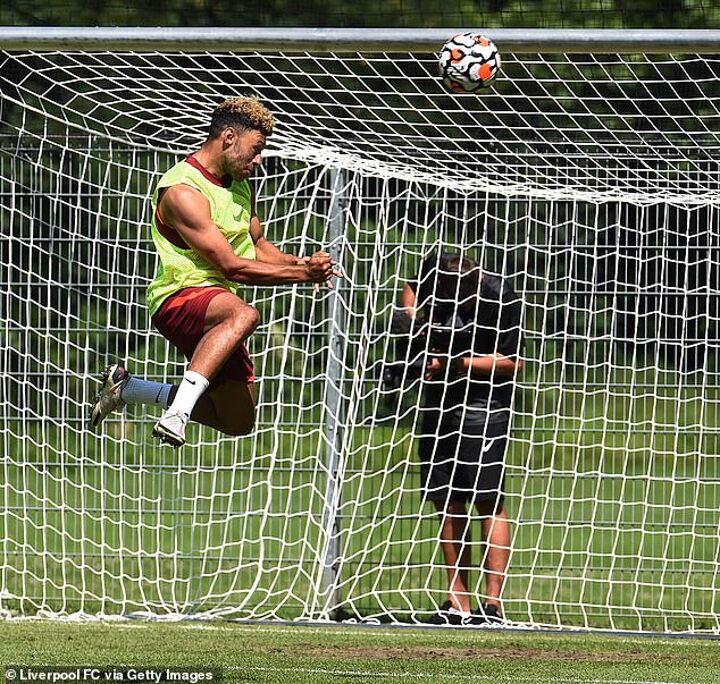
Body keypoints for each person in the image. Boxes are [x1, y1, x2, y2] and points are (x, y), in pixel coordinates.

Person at [89, 96, 339, 447]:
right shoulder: (182, 191)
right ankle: (176, 415)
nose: (259, 159)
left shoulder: (240, 186)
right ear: (229, 138)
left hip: (220, 308)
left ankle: (129, 389)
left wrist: (302, 264)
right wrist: (304, 276)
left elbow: (257, 247)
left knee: (237, 420)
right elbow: (231, 266)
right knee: (246, 314)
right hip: (178, 298)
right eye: (256, 149)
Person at [400, 251, 522, 625]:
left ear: (474, 285)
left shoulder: (501, 298)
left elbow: (513, 363)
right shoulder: (437, 278)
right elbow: (410, 288)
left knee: (488, 501)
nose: (450, 303)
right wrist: (414, 321)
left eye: (459, 297)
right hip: (440, 405)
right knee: (447, 502)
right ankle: (457, 603)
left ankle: (493, 605)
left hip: (485, 408)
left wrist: (458, 364)